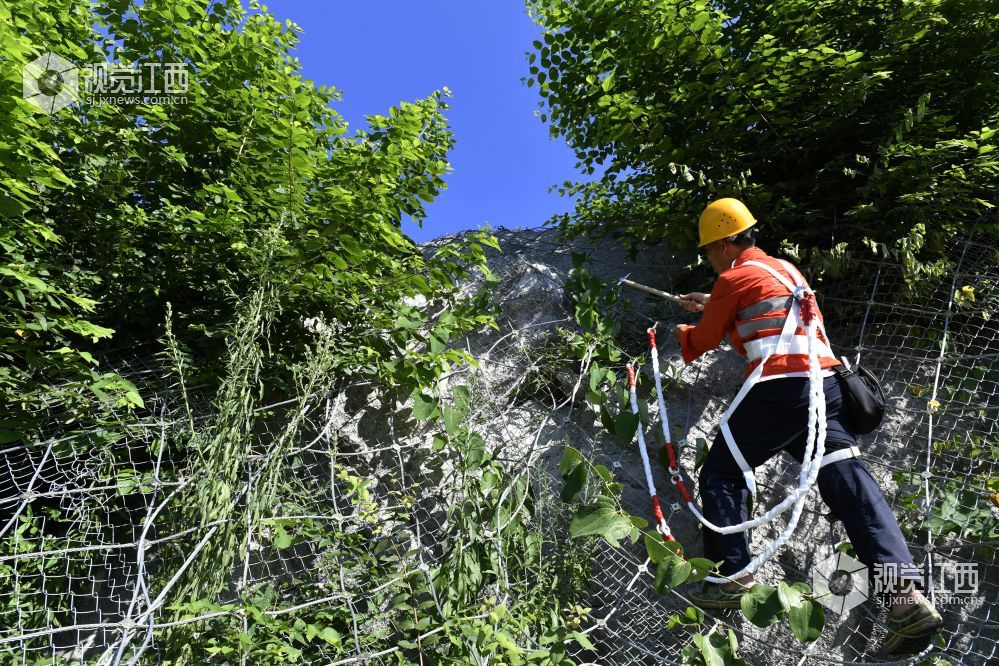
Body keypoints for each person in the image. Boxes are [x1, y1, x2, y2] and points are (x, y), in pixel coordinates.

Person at [670, 198, 942, 652]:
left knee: (722, 470)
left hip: (781, 390)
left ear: (722, 242)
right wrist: (715, 303)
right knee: (850, 486)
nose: (710, 259)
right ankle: (905, 599)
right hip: (825, 387)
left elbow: (703, 342)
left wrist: (686, 329)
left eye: (709, 251)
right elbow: (769, 323)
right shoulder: (787, 269)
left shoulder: (732, 278)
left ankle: (732, 576)